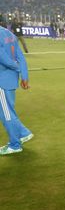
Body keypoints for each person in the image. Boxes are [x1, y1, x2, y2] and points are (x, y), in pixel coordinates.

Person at [0, 26, 33, 155]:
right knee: (9, 111)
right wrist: (24, 76)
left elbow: (3, 58)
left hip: (2, 80)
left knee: (6, 114)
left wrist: (17, 68)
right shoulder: (9, 33)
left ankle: (15, 144)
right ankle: (21, 135)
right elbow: (20, 56)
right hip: (10, 79)